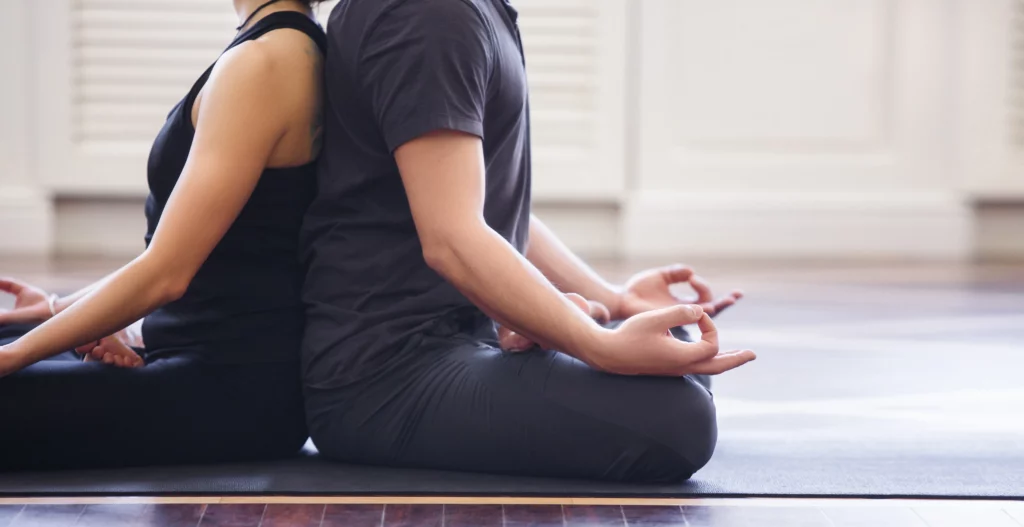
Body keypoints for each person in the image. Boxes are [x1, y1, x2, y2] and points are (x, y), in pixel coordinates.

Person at [300, 0, 756, 483]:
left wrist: (616, 301)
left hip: (462, 337)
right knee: (677, 421)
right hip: (382, 378)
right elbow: (452, 237)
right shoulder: (427, 14)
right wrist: (598, 345)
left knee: (676, 351)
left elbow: (489, 204)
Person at [0, 0, 326, 470]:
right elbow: (194, 254)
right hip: (194, 358)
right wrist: (56, 310)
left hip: (229, 392)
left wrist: (12, 356)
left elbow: (166, 274)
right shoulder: (283, 44)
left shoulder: (266, 62)